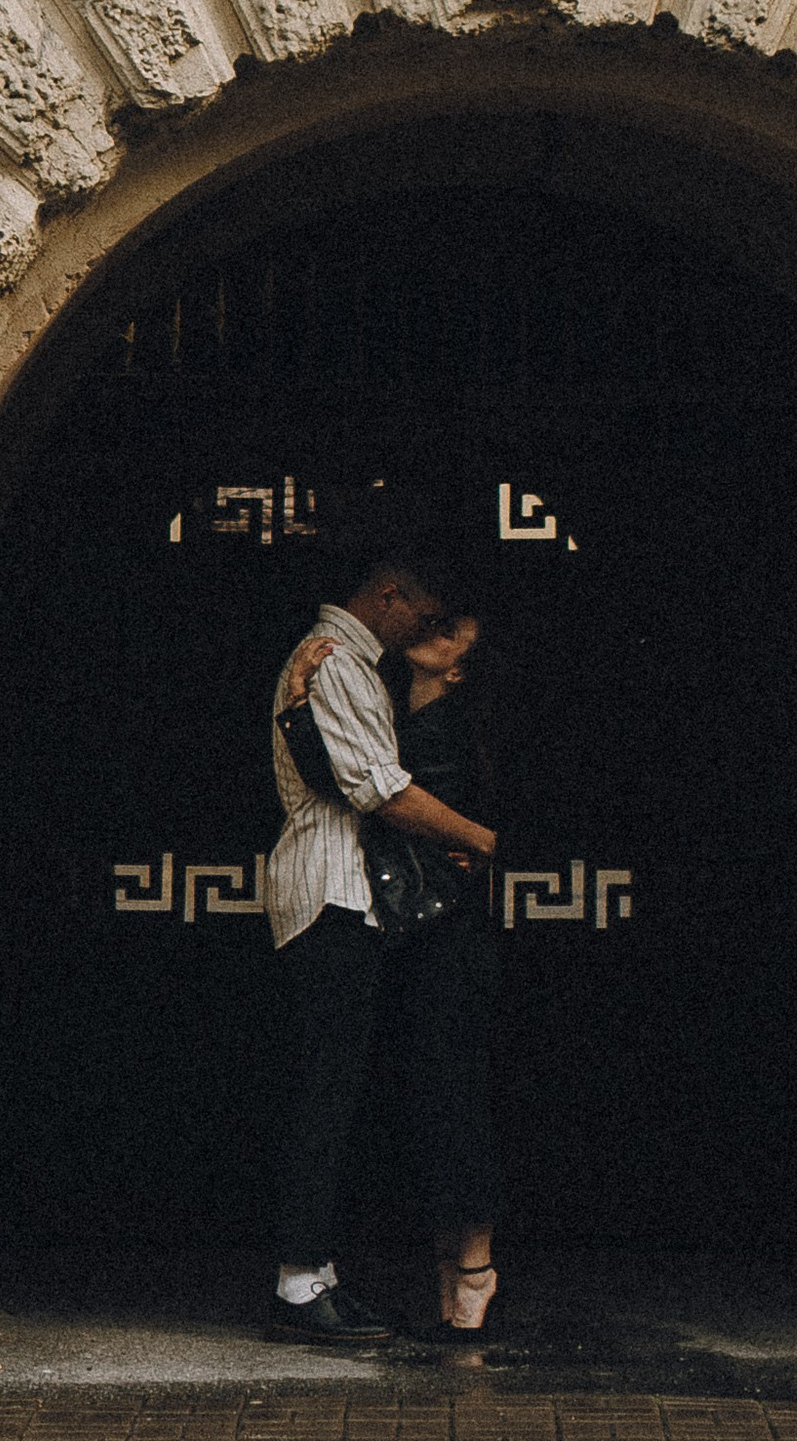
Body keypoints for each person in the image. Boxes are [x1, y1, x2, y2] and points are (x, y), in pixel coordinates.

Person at [264, 519, 497, 1348]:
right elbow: (381, 791)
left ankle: (314, 1274)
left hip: (344, 892)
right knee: (324, 1091)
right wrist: (479, 839)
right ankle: (298, 1283)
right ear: (389, 594)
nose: (421, 630)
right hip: (329, 891)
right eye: (420, 611)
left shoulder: (355, 667)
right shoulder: (334, 659)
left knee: (335, 1090)